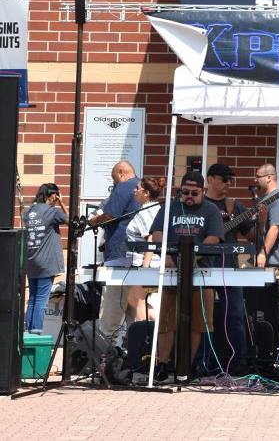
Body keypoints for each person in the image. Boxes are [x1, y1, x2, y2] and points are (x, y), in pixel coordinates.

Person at [149, 171, 223, 381]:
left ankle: (186, 367)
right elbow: (156, 234)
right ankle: (162, 365)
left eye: (194, 193)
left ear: (203, 191)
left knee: (197, 324)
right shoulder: (169, 208)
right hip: (173, 269)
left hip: (200, 273)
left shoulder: (211, 210)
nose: (189, 196)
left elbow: (214, 237)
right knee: (166, 321)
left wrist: (193, 257)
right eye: (185, 192)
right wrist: (166, 256)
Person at [86, 159, 140, 345]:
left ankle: (103, 352)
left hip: (119, 256)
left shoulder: (124, 187)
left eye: (114, 178)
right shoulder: (142, 188)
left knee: (112, 309)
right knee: (134, 311)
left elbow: (110, 215)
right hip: (139, 257)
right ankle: (133, 350)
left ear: (121, 173)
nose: (114, 183)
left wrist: (92, 222)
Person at [203, 162, 250, 374]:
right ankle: (202, 361)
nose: (228, 184)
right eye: (224, 180)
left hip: (229, 268)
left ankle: (238, 362)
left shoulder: (234, 206)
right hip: (203, 267)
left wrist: (262, 219)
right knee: (203, 317)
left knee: (235, 316)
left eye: (231, 180)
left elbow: (251, 235)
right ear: (210, 179)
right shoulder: (199, 204)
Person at [254, 163, 279, 335]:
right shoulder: (262, 200)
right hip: (265, 263)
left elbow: (275, 228)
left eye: (258, 176)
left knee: (277, 308)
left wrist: (263, 253)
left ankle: (277, 349)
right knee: (262, 308)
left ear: (269, 177)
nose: (255, 180)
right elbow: (260, 229)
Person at [23, 183, 67, 333]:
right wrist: (62, 204)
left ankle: (27, 330)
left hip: (32, 261)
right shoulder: (52, 212)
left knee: (33, 298)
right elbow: (71, 221)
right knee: (41, 299)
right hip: (46, 262)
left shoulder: (29, 212)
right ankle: (36, 331)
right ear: (52, 195)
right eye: (57, 195)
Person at [124, 176, 166, 323]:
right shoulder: (154, 209)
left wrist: (145, 268)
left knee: (140, 303)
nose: (134, 191)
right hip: (148, 264)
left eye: (137, 188)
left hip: (147, 265)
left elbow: (151, 238)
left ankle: (150, 331)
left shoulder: (146, 212)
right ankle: (156, 322)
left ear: (146, 193)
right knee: (132, 299)